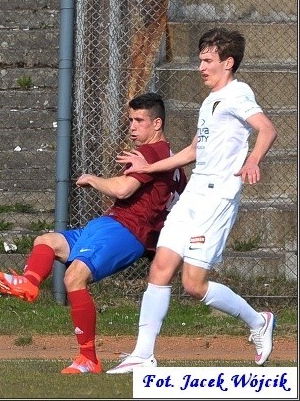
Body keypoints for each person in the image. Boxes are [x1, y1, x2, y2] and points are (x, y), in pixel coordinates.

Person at [107, 27, 278, 374]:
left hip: (218, 199)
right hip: (194, 194)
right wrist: (149, 165)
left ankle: (258, 321)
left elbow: (267, 128)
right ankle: (143, 353)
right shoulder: (209, 101)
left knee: (193, 283)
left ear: (227, 63)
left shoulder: (237, 93)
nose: (201, 66)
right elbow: (192, 151)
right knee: (160, 267)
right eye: (200, 59)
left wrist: (252, 160)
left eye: (208, 60)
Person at [0, 92, 187, 374]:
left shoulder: (152, 153)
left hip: (126, 231)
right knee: (47, 241)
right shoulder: (171, 161)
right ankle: (29, 282)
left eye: (139, 120)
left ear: (157, 124)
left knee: (74, 277)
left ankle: (88, 358)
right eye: (130, 119)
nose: (132, 126)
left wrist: (92, 178)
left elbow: (123, 189)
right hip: (110, 225)